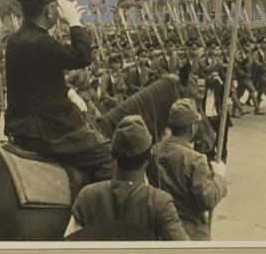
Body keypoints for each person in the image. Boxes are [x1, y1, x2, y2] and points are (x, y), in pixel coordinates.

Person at [4, 0, 113, 181]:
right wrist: (74, 22)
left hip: (21, 124)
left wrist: (68, 92)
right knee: (109, 157)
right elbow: (82, 56)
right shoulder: (42, 42)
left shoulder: (17, 39)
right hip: (48, 128)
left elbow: (37, 80)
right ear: (50, 11)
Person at [64, 115, 189, 241]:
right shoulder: (160, 203)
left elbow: (68, 247)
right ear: (148, 158)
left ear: (113, 154)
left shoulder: (87, 196)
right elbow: (185, 251)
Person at [148, 98, 227, 240]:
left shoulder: (154, 152)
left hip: (162, 228)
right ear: (192, 127)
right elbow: (208, 199)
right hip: (190, 231)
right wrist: (219, 177)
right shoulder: (195, 160)